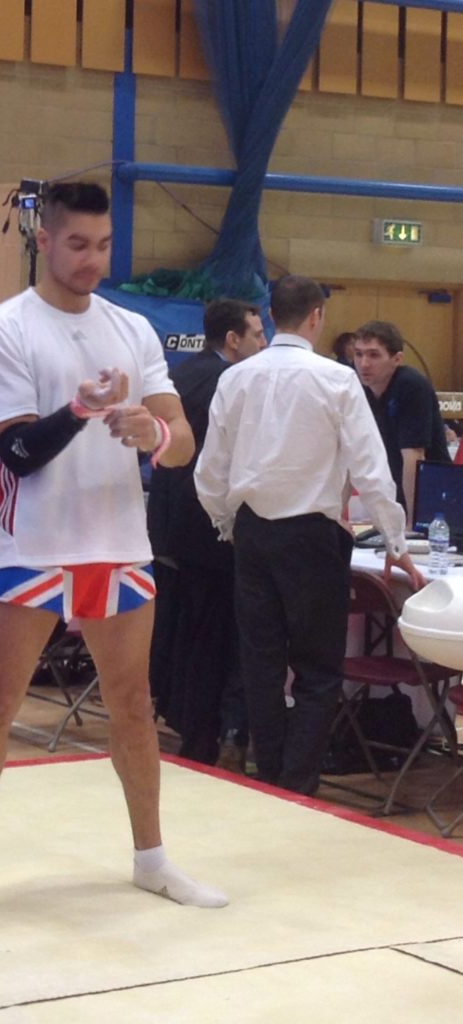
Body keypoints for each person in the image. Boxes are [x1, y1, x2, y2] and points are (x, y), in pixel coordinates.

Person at [0, 181, 228, 927]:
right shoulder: (4, 330)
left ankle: (151, 856)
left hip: (119, 544)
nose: (92, 260)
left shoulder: (132, 328)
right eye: (77, 245)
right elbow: (21, 453)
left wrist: (154, 437)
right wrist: (83, 409)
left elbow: (182, 439)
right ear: (46, 241)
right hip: (34, 544)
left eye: (102, 246)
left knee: (132, 705)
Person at [195, 275, 425, 797]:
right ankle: (298, 782)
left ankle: (271, 773)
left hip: (253, 534)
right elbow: (372, 471)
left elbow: (210, 472)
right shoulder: (338, 381)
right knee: (318, 668)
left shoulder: (236, 378)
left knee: (261, 663)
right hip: (312, 538)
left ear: (272, 316)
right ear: (317, 317)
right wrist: (396, 543)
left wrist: (228, 524)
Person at [147, 298, 266, 769]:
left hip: (170, 525)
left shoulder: (182, 374)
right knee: (216, 636)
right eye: (257, 334)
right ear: (233, 339)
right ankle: (211, 732)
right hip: (209, 528)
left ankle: (190, 727)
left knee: (184, 632)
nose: (265, 343)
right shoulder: (230, 381)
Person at [354, 319, 449, 517]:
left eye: (374, 355)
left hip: (435, 493)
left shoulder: (411, 385)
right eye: (359, 354)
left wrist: (411, 520)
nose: (364, 364)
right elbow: (350, 451)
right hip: (392, 491)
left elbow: (414, 457)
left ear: (397, 359)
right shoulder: (358, 388)